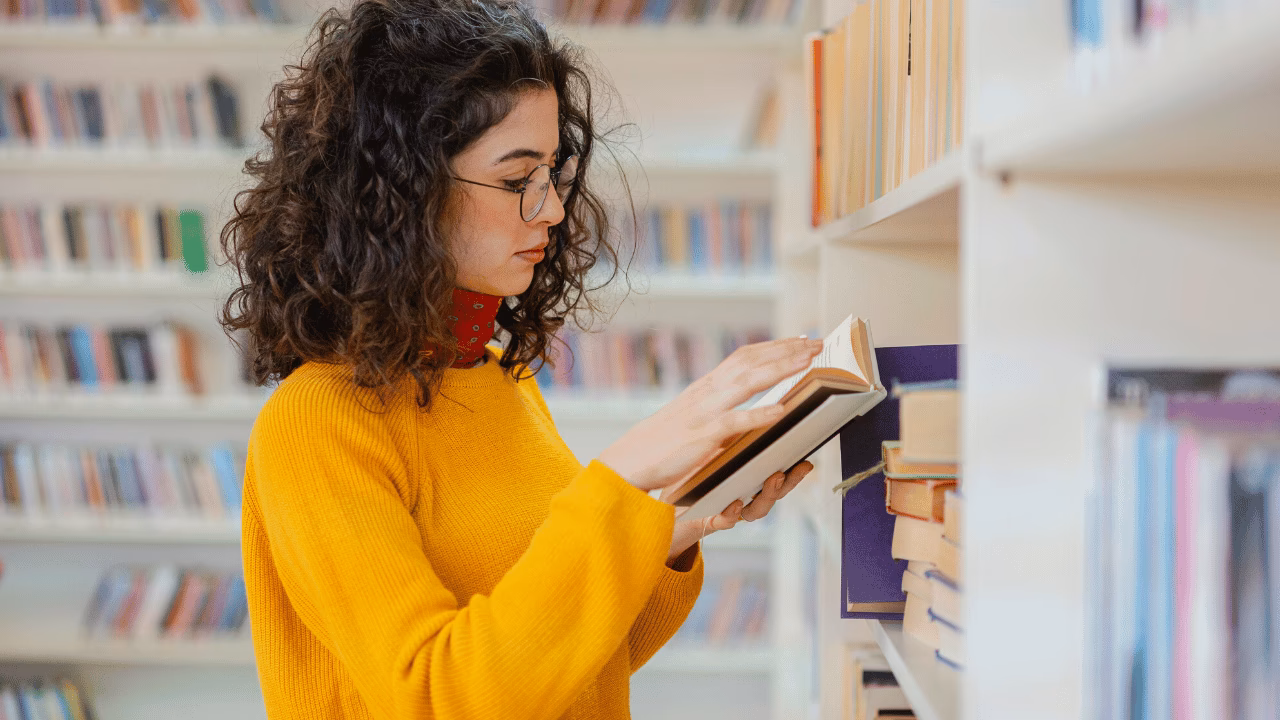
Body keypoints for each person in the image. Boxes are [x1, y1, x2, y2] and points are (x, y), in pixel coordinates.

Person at [219, 0, 820, 717]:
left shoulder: (497, 376)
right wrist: (621, 480)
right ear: (402, 189)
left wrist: (670, 527)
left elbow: (572, 669)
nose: (554, 212)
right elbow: (438, 698)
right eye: (515, 181)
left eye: (552, 175)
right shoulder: (315, 425)